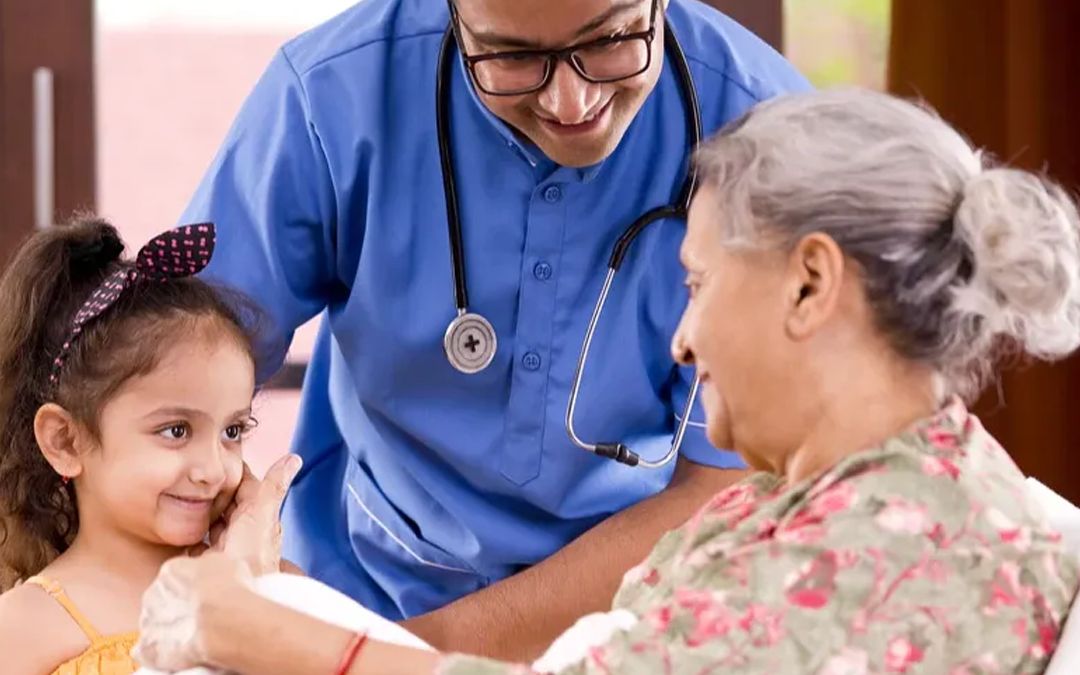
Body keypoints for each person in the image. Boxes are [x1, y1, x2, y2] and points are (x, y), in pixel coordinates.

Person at [135, 87, 1080, 674]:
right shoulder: (850, 503)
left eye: (698, 285)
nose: (682, 341)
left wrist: (278, 640)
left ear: (809, 282)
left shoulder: (883, 557)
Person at [181, 0, 810, 657]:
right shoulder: (330, 94)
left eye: (612, 40)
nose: (571, 103)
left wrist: (389, 661)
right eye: (513, 56)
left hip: (623, 616)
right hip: (348, 588)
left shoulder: (771, 136)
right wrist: (244, 546)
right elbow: (168, 372)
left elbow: (734, 486)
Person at [0, 218, 299, 674]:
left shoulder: (276, 585)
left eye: (233, 431)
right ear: (65, 441)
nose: (212, 470)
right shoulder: (24, 627)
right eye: (176, 431)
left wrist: (255, 599)